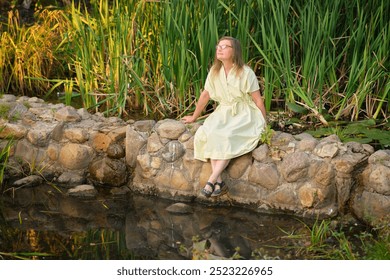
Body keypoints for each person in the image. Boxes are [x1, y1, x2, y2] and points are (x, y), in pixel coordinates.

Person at [182, 36, 267, 198]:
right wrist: (194, 117)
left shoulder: (246, 72)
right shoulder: (215, 72)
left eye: (224, 46)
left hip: (244, 113)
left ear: (234, 51)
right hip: (223, 112)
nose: (219, 49)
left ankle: (211, 179)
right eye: (218, 46)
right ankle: (219, 182)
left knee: (227, 136)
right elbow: (205, 95)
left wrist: (264, 124)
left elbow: (257, 100)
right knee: (208, 133)